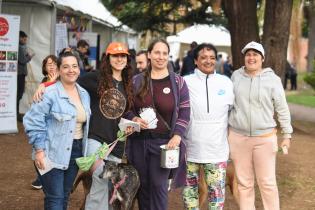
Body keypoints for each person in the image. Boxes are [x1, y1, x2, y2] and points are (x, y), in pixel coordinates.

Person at [32, 42, 134, 210]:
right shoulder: (96, 77)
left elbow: (128, 111)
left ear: (127, 59)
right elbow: (67, 79)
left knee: (109, 186)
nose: (119, 59)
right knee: (101, 178)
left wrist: (133, 121)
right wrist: (45, 85)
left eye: (123, 56)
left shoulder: (128, 82)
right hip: (95, 139)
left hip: (116, 142)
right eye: (115, 56)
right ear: (108, 58)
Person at [125, 39, 190, 210]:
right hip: (138, 143)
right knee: (142, 189)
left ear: (168, 56)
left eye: (164, 53)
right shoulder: (136, 81)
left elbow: (185, 111)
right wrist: (135, 119)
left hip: (164, 145)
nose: (160, 57)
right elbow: (127, 109)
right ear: (149, 55)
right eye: (156, 52)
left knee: (159, 188)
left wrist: (177, 135)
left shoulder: (178, 82)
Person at [228, 41, 293, 210]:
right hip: (238, 138)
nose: (251, 58)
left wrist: (287, 135)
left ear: (262, 58)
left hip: (264, 139)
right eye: (248, 54)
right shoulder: (235, 76)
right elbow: (228, 105)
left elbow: (282, 108)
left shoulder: (273, 80)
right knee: (244, 183)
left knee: (268, 183)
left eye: (255, 54)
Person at [23, 51, 91, 210]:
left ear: (79, 69)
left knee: (65, 194)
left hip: (76, 151)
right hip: (51, 151)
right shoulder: (49, 93)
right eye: (66, 67)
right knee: (55, 198)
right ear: (59, 70)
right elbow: (32, 121)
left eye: (74, 66)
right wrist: (39, 150)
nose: (71, 70)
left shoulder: (84, 94)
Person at [182, 43, 234, 210]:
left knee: (216, 195)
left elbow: (233, 112)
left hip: (217, 150)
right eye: (203, 57)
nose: (208, 61)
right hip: (191, 149)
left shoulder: (225, 83)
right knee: (189, 194)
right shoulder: (184, 82)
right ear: (196, 61)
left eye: (212, 58)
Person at [31, 55, 58, 190]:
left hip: (55, 123)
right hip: (41, 121)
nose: (51, 66)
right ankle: (42, 178)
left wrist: (46, 85)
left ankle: (45, 180)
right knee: (37, 152)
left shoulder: (61, 80)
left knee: (50, 152)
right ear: (44, 67)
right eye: (48, 64)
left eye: (54, 63)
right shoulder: (44, 80)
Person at [17, 31, 34, 120]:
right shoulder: (19, 47)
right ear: (20, 38)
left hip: (21, 73)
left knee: (20, 93)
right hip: (19, 73)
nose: (25, 41)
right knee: (18, 94)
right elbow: (23, 60)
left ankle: (16, 113)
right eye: (24, 39)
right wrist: (30, 56)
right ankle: (16, 114)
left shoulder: (23, 47)